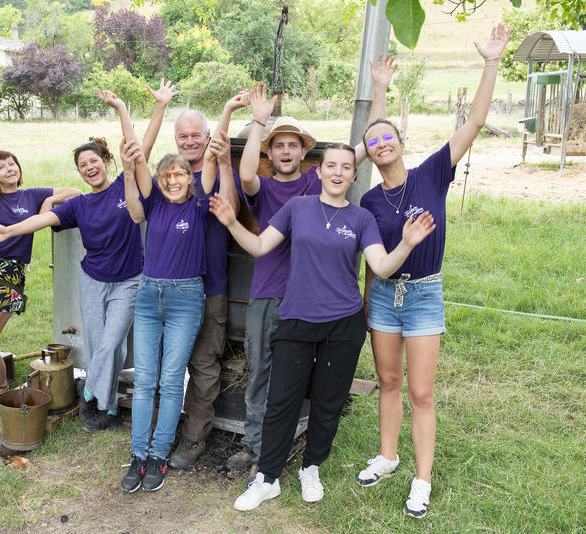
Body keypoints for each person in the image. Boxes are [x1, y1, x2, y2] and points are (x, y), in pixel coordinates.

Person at [208, 144, 435, 511]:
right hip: (297, 319)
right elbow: (261, 246)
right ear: (319, 171)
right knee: (281, 401)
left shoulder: (362, 218)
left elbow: (381, 266)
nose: (337, 172)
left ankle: (310, 467)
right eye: (331, 165)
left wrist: (407, 244)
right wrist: (232, 223)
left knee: (328, 403)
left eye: (345, 167)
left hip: (342, 325)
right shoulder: (297, 208)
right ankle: (267, 478)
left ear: (354, 175)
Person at [355, 25, 510, 519]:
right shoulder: (369, 200)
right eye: (374, 141)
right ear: (369, 153)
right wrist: (367, 304)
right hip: (384, 296)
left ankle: (422, 479)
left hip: (424, 295)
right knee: (388, 381)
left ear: (403, 142)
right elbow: (373, 259)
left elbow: (476, 122)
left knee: (421, 391)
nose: (382, 143)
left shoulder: (432, 173)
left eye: (389, 137)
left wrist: (491, 62)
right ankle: (387, 456)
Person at [228, 55, 395, 477]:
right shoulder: (265, 188)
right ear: (270, 153)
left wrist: (379, 90)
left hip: (313, 300)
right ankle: (256, 446)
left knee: (303, 380)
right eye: (278, 146)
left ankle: (298, 448)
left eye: (293, 145)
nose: (286, 151)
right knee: (260, 371)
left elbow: (363, 148)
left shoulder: (316, 182)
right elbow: (245, 175)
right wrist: (259, 121)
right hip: (269, 292)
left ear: (306, 155)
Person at [0, 88, 146, 433]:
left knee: (112, 343)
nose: (89, 168)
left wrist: (120, 108)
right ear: (80, 172)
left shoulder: (123, 186)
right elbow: (42, 220)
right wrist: (9, 231)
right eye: (83, 165)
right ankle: (108, 406)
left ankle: (91, 393)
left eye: (94, 161)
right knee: (99, 345)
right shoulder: (79, 205)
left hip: (129, 280)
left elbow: (137, 148)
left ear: (106, 160)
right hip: (93, 280)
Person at [119, 122, 238, 493]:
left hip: (186, 298)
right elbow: (136, 160)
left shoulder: (200, 204)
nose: (173, 180)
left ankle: (158, 454)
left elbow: (213, 156)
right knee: (145, 381)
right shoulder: (154, 202)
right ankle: (138, 454)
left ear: (191, 179)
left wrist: (228, 112)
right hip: (148, 295)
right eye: (167, 175)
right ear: (159, 180)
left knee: (171, 380)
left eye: (180, 175)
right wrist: (122, 111)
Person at [0, 80, 81, 425]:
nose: (10, 168)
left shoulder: (32, 195)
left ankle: (2, 389)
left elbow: (74, 191)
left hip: (8, 274)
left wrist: (48, 202)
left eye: (13, 164)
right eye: (2, 166)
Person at [141, 79, 248, 469]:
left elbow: (231, 209)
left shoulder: (217, 173)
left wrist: (224, 157)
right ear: (176, 139)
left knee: (203, 364)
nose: (189, 141)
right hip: (162, 288)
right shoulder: (168, 175)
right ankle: (157, 430)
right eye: (183, 136)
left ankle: (193, 436)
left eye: (196, 135)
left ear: (207, 137)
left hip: (209, 286)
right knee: (159, 365)